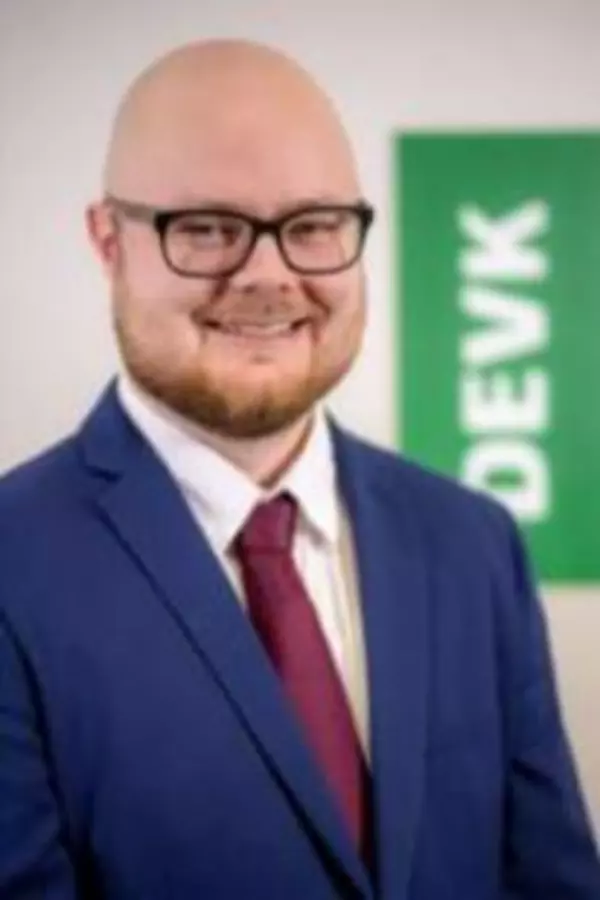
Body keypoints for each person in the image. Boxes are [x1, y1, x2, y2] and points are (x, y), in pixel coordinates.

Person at [0, 38, 598, 900]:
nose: (270, 275)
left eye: (313, 226)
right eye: (207, 229)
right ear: (108, 243)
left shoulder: (473, 544)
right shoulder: (13, 565)